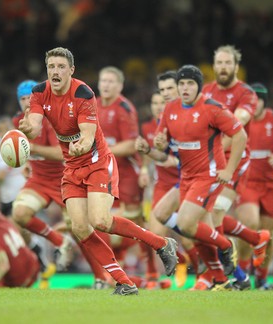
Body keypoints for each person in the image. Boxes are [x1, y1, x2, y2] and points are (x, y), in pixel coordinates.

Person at [19, 47, 178, 295]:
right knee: (80, 228)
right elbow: (35, 126)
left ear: (71, 70)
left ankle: (161, 244)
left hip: (97, 162)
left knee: (101, 221)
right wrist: (26, 129)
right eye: (51, 67)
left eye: (61, 67)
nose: (55, 72)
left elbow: (88, 135)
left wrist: (81, 144)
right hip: (72, 167)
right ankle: (124, 282)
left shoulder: (83, 93)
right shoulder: (39, 92)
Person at [154, 64, 247, 290]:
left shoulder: (212, 108)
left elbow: (240, 134)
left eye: (190, 84)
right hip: (186, 176)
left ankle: (225, 247)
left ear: (199, 87)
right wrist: (157, 143)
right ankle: (236, 277)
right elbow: (161, 140)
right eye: (181, 84)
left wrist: (229, 170)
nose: (185, 88)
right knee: (181, 223)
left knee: (187, 224)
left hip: (209, 175)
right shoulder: (170, 109)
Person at [202, 45, 270, 290]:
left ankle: (224, 275)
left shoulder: (246, 93)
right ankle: (254, 240)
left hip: (235, 161)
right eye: (219, 63)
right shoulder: (206, 90)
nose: (222, 67)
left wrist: (208, 145)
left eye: (227, 63)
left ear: (236, 66)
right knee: (202, 215)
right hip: (209, 160)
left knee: (216, 210)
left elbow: (236, 124)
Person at [135, 71, 202, 288]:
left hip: (190, 179)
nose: (160, 101)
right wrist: (146, 165)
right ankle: (180, 262)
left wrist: (173, 159)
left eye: (166, 91)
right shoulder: (149, 127)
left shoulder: (184, 115)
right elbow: (155, 155)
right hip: (165, 183)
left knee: (189, 233)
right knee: (155, 233)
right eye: (157, 97)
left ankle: (205, 271)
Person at [96, 66, 158, 285]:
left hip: (127, 174)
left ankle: (151, 272)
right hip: (103, 173)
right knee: (104, 225)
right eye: (103, 80)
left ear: (120, 86)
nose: (106, 85)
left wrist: (102, 151)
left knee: (134, 223)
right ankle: (120, 273)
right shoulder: (92, 105)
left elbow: (132, 144)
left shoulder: (124, 108)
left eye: (111, 81)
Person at [234, 83, 273, 289]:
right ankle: (241, 272)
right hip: (247, 182)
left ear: (263, 101)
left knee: (268, 235)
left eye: (257, 100)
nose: (253, 105)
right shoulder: (240, 120)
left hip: (271, 185)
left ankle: (261, 278)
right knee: (249, 224)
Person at [12, 80, 73, 275]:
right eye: (23, 98)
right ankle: (59, 241)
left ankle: (102, 275)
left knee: (81, 230)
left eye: (30, 97)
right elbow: (23, 152)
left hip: (63, 180)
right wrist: (27, 163)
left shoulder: (49, 119)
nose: (27, 102)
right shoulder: (18, 122)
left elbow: (61, 153)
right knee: (19, 214)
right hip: (39, 180)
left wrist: (32, 149)